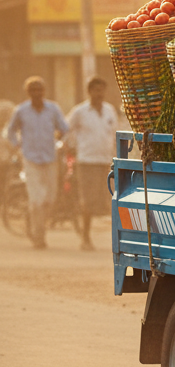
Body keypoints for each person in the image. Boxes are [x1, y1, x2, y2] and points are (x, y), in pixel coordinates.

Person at [5, 76, 69, 249]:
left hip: (50, 157)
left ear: (44, 91)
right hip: (30, 159)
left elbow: (64, 128)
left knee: (50, 199)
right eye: (33, 90)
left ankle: (34, 222)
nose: (36, 93)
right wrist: (17, 147)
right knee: (37, 200)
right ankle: (38, 235)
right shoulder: (21, 110)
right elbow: (10, 132)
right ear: (28, 92)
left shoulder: (53, 109)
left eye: (39, 89)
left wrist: (61, 142)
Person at [66, 76, 118, 250]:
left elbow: (115, 134)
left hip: (106, 161)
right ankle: (86, 238)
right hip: (86, 161)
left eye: (102, 89)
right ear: (89, 92)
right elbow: (66, 130)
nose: (100, 93)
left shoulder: (110, 110)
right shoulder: (80, 111)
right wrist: (71, 147)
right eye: (96, 90)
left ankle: (115, 240)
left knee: (110, 199)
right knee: (87, 201)